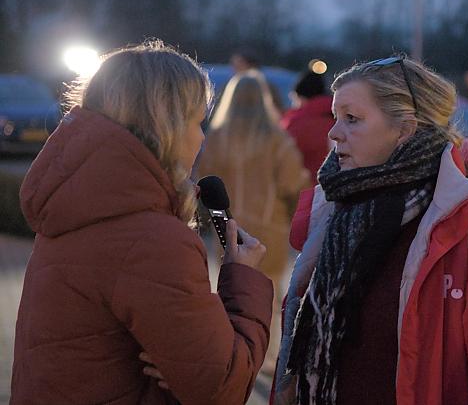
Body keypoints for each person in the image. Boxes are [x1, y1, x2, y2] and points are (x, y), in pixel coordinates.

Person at [272, 55, 468, 405]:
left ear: (405, 129)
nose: (333, 132)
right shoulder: (332, 211)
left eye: (352, 119)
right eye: (335, 117)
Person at [11, 40, 273, 405]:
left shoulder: (76, 204)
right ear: (168, 123)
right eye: (198, 122)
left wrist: (178, 360)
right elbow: (221, 389)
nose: (201, 137)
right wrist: (242, 279)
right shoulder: (152, 239)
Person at [197, 71, 310, 372]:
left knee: (228, 291)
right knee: (268, 294)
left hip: (226, 229)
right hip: (269, 227)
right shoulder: (277, 138)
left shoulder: (216, 138)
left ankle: (228, 354)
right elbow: (293, 182)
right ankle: (267, 357)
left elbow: (203, 180)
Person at [281, 69, 335, 180]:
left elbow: (282, 159)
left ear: (300, 96)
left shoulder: (297, 123)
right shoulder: (338, 116)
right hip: (336, 185)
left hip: (306, 190)